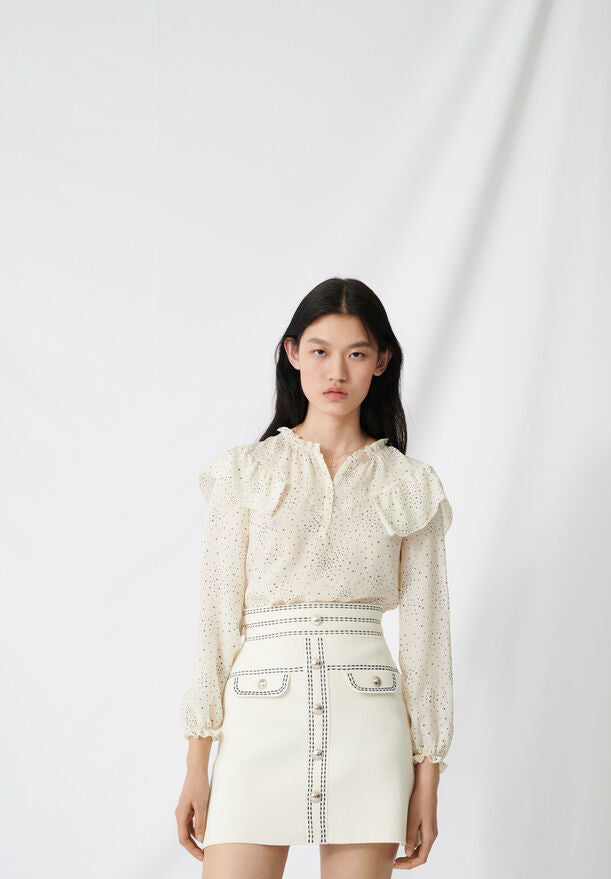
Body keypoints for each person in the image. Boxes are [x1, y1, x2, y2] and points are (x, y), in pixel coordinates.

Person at [175, 278, 455, 878]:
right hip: (257, 724)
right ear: (293, 353)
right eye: (320, 350)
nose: (337, 371)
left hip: (368, 730)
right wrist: (197, 763)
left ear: (381, 361)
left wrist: (427, 778)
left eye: (356, 353)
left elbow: (428, 639)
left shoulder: (409, 485)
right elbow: (215, 620)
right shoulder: (246, 473)